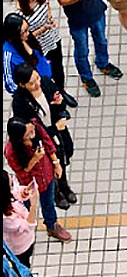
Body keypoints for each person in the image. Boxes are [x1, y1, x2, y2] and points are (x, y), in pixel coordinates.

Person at [49, 0, 123, 99]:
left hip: (96, 10)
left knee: (101, 40)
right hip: (77, 19)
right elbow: (62, 0)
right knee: (82, 50)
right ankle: (86, 78)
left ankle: (103, 63)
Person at [12, 62, 77, 211]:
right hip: (43, 137)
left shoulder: (46, 83)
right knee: (51, 165)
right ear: (22, 85)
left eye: (37, 78)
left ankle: (65, 187)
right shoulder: (20, 103)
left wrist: (59, 104)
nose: (37, 84)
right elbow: (33, 131)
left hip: (57, 128)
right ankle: (57, 194)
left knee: (65, 153)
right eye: (31, 83)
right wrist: (54, 129)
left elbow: (58, 104)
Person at [13, 0, 77, 108]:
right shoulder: (20, 13)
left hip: (52, 39)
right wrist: (43, 28)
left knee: (58, 68)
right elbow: (26, 37)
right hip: (39, 47)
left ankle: (61, 91)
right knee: (45, 74)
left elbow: (47, 8)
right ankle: (51, 97)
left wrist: (49, 20)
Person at [4, 117, 72, 243]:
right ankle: (25, 229)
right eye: (28, 133)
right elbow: (22, 173)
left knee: (49, 202)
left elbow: (47, 142)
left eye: (31, 129)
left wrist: (56, 163)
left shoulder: (35, 126)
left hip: (46, 175)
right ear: (19, 138)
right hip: (30, 184)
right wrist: (34, 159)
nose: (32, 133)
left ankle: (52, 226)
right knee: (27, 207)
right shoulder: (11, 152)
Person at [3, 13, 53, 96]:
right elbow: (10, 84)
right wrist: (27, 94)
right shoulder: (8, 55)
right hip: (34, 91)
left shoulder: (27, 38)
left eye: (28, 29)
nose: (28, 33)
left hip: (47, 80)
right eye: (24, 32)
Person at [2, 170, 38, 269]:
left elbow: (16, 193)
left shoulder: (6, 196)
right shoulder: (6, 218)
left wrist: (25, 192)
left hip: (26, 240)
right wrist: (33, 205)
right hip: (19, 247)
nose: (13, 186)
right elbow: (26, 226)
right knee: (22, 266)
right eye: (11, 183)